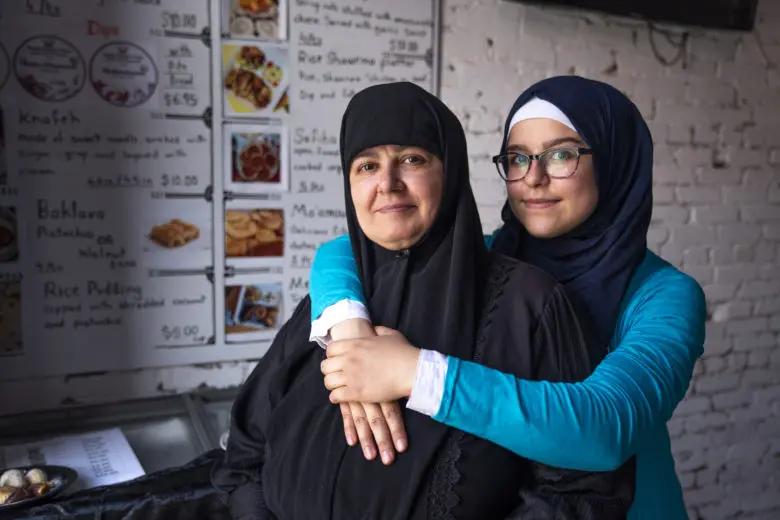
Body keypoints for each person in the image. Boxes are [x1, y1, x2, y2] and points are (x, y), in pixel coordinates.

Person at [212, 81, 635, 519]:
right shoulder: (329, 305)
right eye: (366, 166)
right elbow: (244, 459)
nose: (387, 184)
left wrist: (415, 374)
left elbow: (578, 495)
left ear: (449, 173)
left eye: (412, 159)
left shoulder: (529, 305)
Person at [311, 76, 706, 520]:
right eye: (518, 158)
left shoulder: (665, 296)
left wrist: (414, 372)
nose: (533, 178)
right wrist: (349, 326)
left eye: (562, 155)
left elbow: (604, 429)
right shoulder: (492, 259)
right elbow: (343, 250)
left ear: (614, 161)